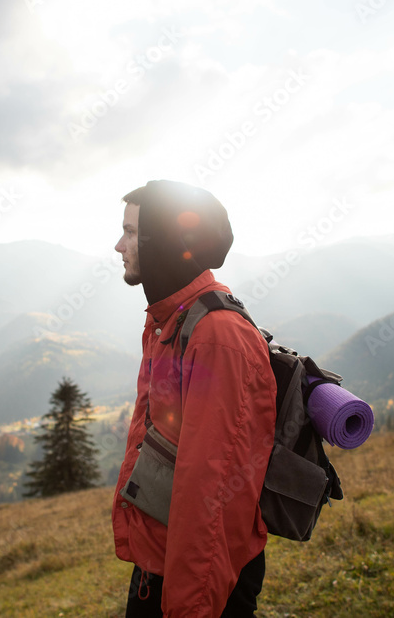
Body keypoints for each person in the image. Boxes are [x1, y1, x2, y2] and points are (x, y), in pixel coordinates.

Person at [111, 179, 277, 617]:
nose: (117, 245)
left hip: (200, 580)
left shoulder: (216, 336)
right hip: (162, 562)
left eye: (130, 232)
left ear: (161, 240)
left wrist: (190, 606)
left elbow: (214, 496)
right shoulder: (171, 321)